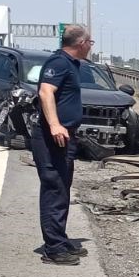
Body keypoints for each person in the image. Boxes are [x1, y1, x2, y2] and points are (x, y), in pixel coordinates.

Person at [31, 25, 94, 264]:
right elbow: (46, 92)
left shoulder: (70, 64)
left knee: (62, 189)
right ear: (81, 43)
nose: (90, 46)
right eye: (90, 42)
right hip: (51, 138)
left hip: (65, 137)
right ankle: (53, 249)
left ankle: (60, 238)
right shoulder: (58, 63)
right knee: (54, 188)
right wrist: (55, 125)